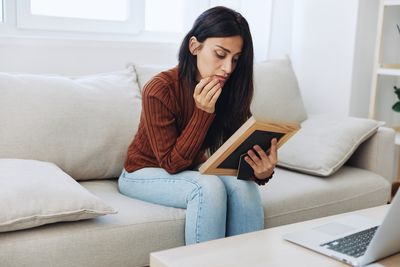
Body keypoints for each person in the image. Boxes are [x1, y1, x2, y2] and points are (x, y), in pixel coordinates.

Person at [118, 6, 277, 245]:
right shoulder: (160, 89)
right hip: (141, 173)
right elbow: (171, 164)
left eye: (235, 59)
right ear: (195, 46)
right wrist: (203, 113)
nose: (228, 69)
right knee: (207, 188)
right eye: (220, 54)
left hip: (193, 169)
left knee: (245, 188)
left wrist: (259, 171)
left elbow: (233, 155)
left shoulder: (228, 88)